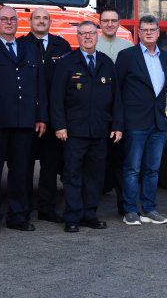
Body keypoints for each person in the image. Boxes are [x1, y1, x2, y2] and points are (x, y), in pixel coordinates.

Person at [0, 6, 47, 234]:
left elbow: (40, 85)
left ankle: (18, 216)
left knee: (21, 172)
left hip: (24, 122)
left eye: (12, 19)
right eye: (3, 19)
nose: (8, 22)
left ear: (18, 22)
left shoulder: (30, 49)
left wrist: (41, 116)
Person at [50, 21, 123, 232]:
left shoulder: (106, 63)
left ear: (97, 35)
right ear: (78, 37)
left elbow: (117, 98)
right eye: (83, 34)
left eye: (91, 33)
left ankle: (89, 214)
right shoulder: (66, 63)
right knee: (72, 174)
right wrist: (60, 125)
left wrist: (117, 125)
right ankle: (72, 216)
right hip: (74, 131)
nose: (87, 37)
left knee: (95, 175)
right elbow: (56, 98)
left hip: (100, 130)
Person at [115, 15, 167, 225]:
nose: (149, 32)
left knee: (152, 170)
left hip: (158, 123)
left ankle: (149, 208)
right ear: (139, 33)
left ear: (158, 32)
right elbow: (117, 92)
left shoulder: (165, 57)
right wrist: (119, 123)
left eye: (152, 29)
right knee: (132, 169)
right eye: (145, 29)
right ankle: (130, 210)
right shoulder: (127, 56)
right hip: (135, 123)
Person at [18, 7, 72, 223]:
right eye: (37, 18)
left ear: (51, 22)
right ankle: (23, 208)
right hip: (27, 116)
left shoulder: (62, 45)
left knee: (50, 165)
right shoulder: (20, 45)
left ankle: (46, 208)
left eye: (45, 18)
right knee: (24, 165)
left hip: (53, 116)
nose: (41, 21)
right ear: (30, 21)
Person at [95, 8, 133, 215]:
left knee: (120, 162)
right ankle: (91, 204)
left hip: (121, 112)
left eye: (114, 20)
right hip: (97, 113)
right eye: (105, 20)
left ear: (119, 23)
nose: (110, 24)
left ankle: (124, 205)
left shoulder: (128, 47)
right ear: (99, 23)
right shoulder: (92, 43)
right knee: (96, 161)